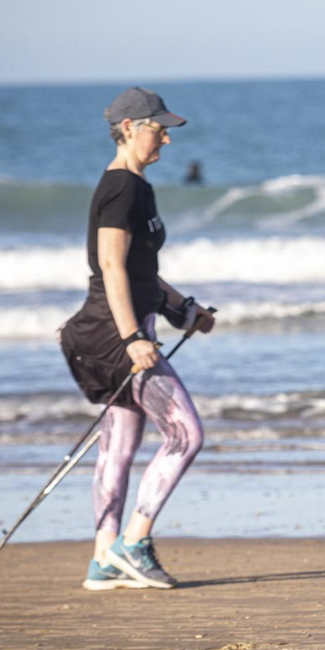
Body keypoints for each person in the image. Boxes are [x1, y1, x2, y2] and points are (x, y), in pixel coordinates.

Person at [57, 87, 216, 592]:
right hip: (114, 336)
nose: (166, 139)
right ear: (128, 128)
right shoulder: (122, 187)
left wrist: (183, 309)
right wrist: (131, 338)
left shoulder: (136, 186)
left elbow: (140, 271)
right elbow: (110, 266)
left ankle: (104, 559)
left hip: (117, 330)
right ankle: (134, 542)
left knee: (120, 444)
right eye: (158, 129)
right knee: (186, 433)